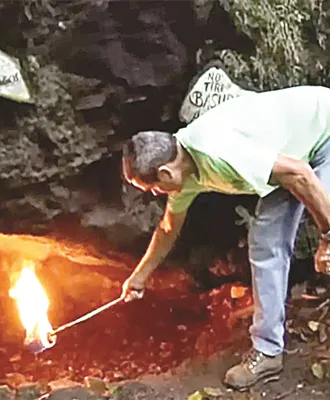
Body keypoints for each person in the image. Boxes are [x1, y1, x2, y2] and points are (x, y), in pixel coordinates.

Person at [119, 85, 330, 390]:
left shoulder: (217, 151)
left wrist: (327, 237)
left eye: (151, 188)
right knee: (265, 242)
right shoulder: (186, 173)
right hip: (293, 154)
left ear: (165, 173)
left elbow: (299, 174)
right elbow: (168, 227)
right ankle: (268, 352)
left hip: (323, 133)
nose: (155, 194)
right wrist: (140, 277)